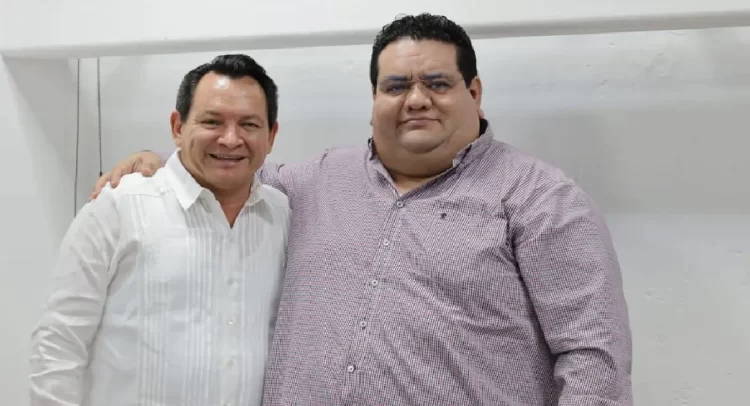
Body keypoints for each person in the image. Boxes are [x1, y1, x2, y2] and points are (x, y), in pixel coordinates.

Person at [91, 13, 633, 405]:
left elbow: (594, 361)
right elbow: (229, 172)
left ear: (474, 92)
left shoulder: (541, 200)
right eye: (396, 85)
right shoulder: (314, 180)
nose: (415, 99)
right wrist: (156, 161)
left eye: (437, 83)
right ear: (374, 99)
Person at [30, 54, 290, 406]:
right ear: (178, 127)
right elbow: (59, 342)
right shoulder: (119, 206)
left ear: (271, 136)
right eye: (212, 121)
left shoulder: (283, 216)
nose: (231, 139)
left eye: (249, 125)